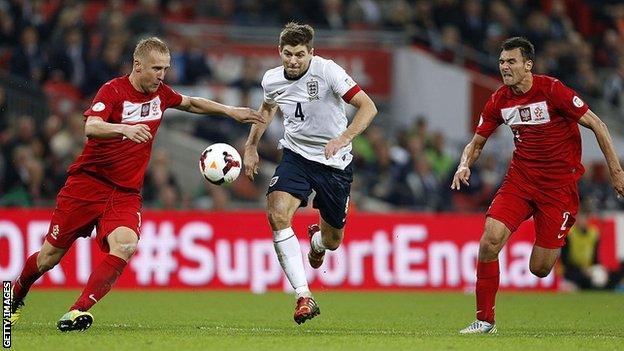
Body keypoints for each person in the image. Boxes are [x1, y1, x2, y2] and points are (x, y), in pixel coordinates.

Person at [9, 36, 264, 332]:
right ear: (137, 65)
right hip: (87, 185)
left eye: (165, 69)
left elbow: (191, 103)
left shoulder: (161, 94)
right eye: (156, 68)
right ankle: (14, 295)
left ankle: (77, 311)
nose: (161, 75)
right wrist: (124, 130)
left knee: (126, 244)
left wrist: (230, 111)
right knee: (48, 258)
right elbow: (92, 126)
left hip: (125, 193)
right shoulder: (113, 90)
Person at [451, 37, 624, 334]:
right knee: (489, 240)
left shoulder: (553, 90)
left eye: (511, 61)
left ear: (528, 65)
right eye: (502, 62)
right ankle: (484, 320)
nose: (505, 67)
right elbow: (476, 142)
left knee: (540, 268)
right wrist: (464, 163)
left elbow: (599, 124)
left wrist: (616, 172)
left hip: (558, 188)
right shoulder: (499, 100)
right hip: (520, 180)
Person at [243, 22, 377, 324]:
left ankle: (316, 242)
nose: (293, 60)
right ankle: (303, 295)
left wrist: (343, 138)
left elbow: (368, 107)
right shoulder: (272, 79)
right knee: (277, 213)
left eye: (300, 55)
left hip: (335, 162)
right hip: (296, 155)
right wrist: (251, 145)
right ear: (280, 52)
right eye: (288, 54)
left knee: (332, 241)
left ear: (311, 53)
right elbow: (267, 110)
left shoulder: (328, 71)